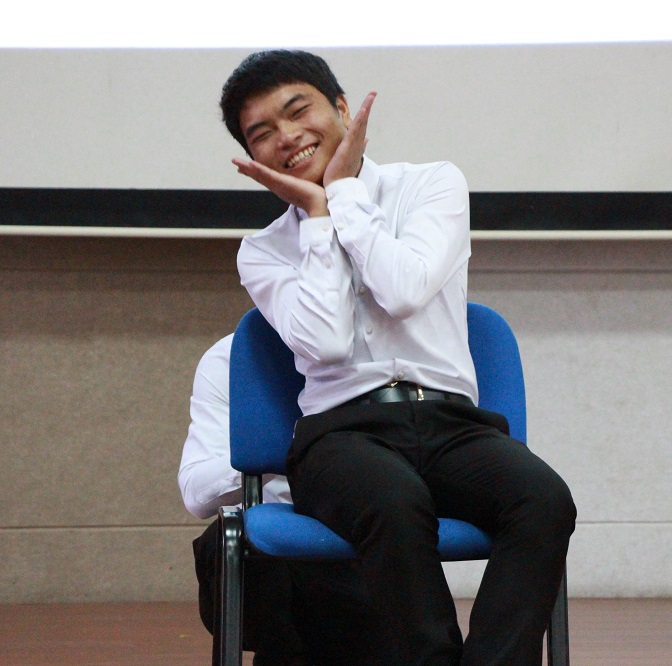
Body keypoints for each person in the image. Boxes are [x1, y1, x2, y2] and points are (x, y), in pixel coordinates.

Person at [223, 50, 577, 665]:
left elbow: (404, 289)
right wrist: (318, 219)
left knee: (543, 500)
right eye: (262, 133)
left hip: (452, 424)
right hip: (340, 437)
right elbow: (327, 343)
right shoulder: (263, 251)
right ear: (254, 159)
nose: (287, 137)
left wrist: (343, 193)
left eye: (298, 111)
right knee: (392, 501)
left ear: (341, 108)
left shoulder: (432, 184)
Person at [179, 334, 385, 666]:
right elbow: (195, 494)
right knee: (239, 544)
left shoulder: (382, 352)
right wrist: (272, 452)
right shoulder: (232, 355)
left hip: (357, 529)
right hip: (266, 557)